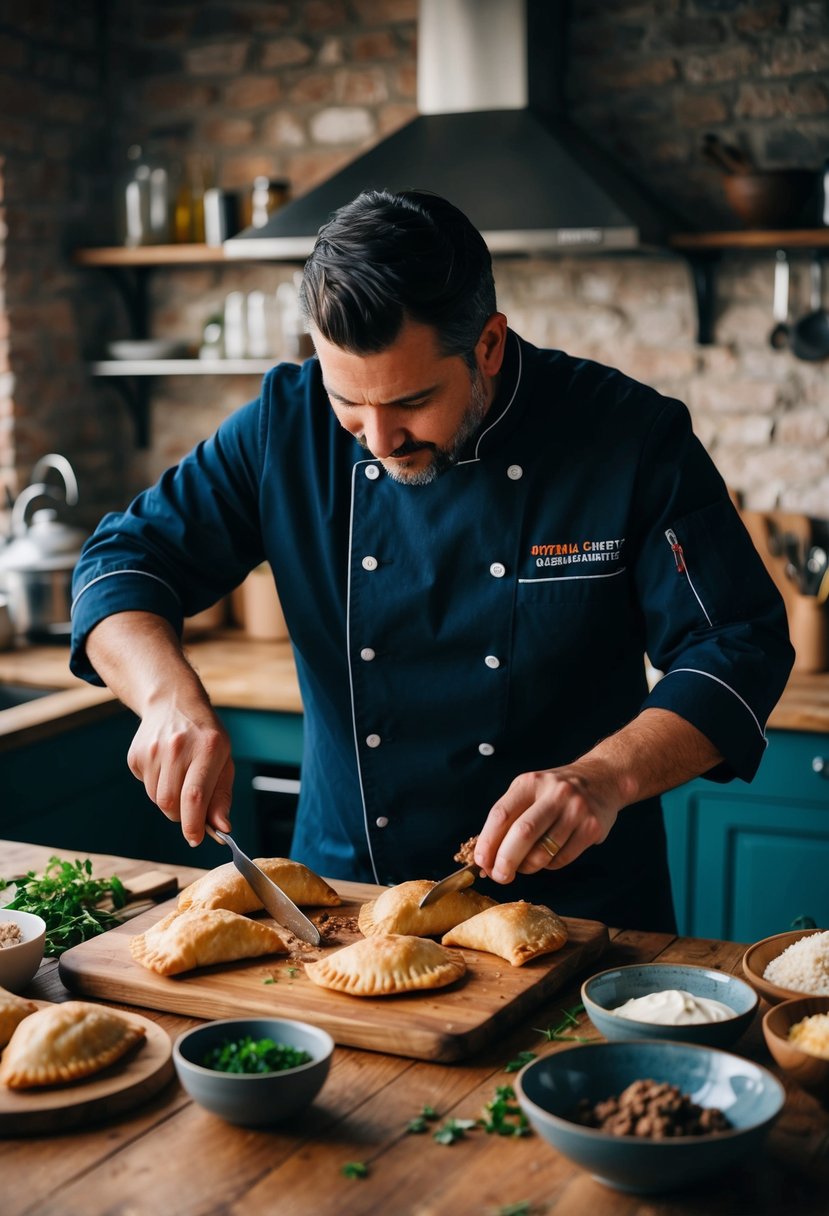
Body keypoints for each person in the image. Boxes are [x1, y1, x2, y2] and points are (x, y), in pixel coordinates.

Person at [70, 188, 794, 932]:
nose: (378, 440)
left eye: (410, 401)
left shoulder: (628, 437)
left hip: (582, 917)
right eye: (346, 402)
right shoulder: (283, 426)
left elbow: (737, 643)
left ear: (487, 344)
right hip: (344, 908)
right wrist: (164, 697)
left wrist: (605, 777)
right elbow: (123, 558)